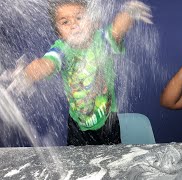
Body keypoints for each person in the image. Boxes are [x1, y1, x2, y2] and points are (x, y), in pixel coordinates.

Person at [5, 0, 152, 146]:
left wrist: (129, 12)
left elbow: (117, 30)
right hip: (78, 125)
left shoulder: (102, 40)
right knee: (79, 163)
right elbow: (46, 64)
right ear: (60, 34)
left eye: (79, 18)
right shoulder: (62, 49)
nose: (74, 25)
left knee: (112, 159)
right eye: (65, 22)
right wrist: (28, 73)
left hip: (108, 120)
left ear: (94, 22)